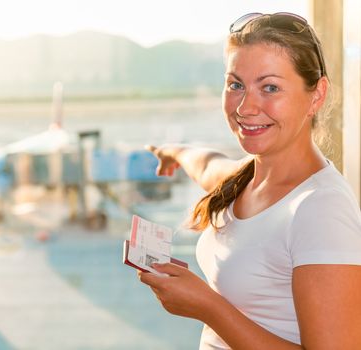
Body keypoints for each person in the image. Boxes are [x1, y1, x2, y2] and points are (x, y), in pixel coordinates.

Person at [138, 12, 361, 350]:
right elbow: (209, 165)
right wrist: (174, 151)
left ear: (316, 96)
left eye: (269, 87)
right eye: (235, 85)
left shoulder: (321, 210)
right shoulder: (246, 178)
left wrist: (208, 307)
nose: (245, 106)